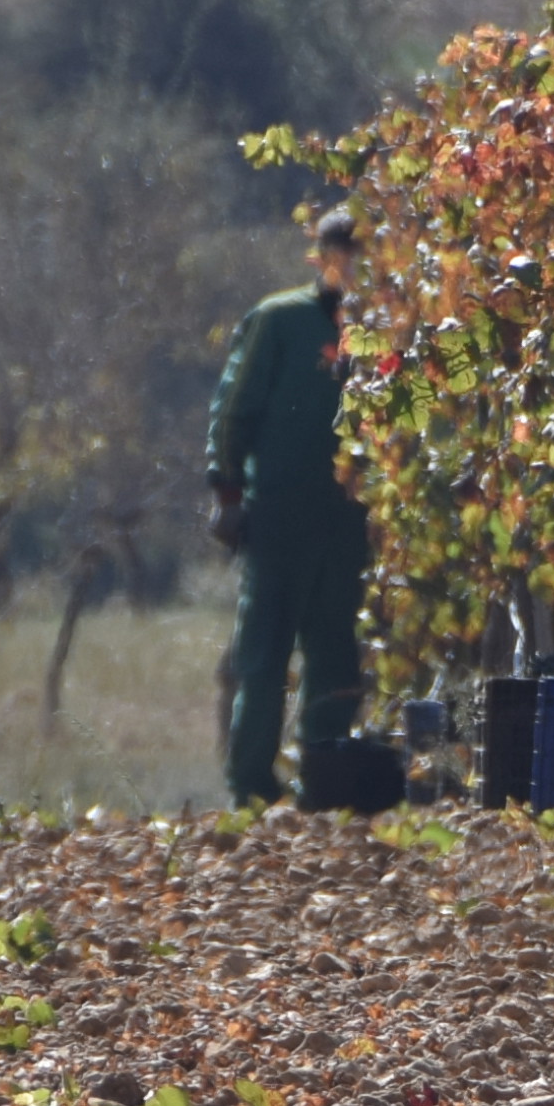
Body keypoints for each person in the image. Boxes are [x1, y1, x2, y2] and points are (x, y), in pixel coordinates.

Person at [208, 206, 372, 808]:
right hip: (278, 513)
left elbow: (415, 424)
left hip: (351, 522)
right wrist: (227, 491)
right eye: (341, 250)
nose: (350, 262)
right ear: (321, 255)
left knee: (336, 653)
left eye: (361, 250)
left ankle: (324, 785)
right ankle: (250, 787)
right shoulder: (279, 321)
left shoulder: (392, 330)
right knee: (263, 654)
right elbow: (234, 408)